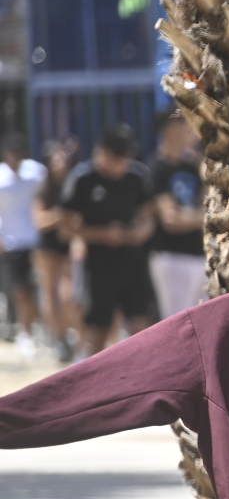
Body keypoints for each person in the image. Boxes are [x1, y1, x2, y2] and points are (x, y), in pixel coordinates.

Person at [58, 124, 156, 355]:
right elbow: (65, 228)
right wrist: (102, 234)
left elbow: (149, 217)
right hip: (99, 266)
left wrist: (138, 233)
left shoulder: (137, 177)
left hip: (133, 263)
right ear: (102, 153)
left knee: (140, 327)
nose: (121, 165)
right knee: (98, 331)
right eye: (116, 158)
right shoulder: (83, 179)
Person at [148, 115, 207, 318]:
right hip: (172, 257)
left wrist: (193, 217)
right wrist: (202, 218)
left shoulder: (194, 166)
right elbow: (171, 219)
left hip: (200, 255)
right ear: (170, 130)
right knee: (178, 321)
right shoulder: (157, 169)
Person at [33, 139, 82, 363]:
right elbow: (39, 220)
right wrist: (59, 218)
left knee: (69, 294)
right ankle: (59, 338)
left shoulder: (75, 184)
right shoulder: (45, 188)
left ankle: (75, 337)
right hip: (49, 245)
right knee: (51, 293)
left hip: (68, 244)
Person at [0, 134, 46, 357]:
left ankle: (37, 330)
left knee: (36, 289)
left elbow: (44, 199)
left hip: (35, 241)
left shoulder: (36, 172)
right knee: (19, 291)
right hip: (10, 242)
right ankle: (25, 332)